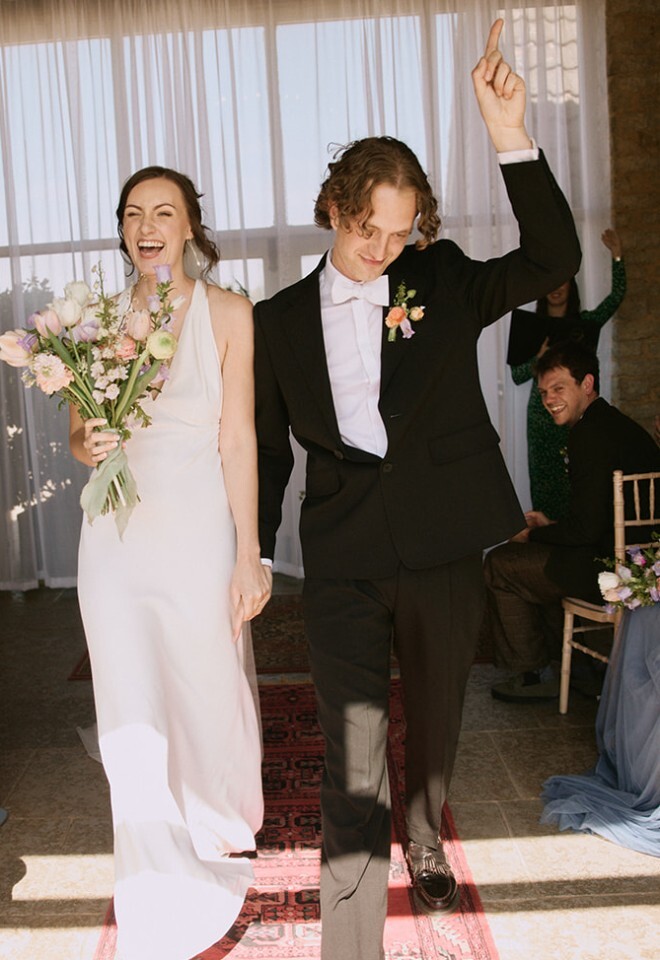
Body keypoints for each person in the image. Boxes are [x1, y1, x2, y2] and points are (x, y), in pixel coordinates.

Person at [254, 20, 581, 960]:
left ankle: (429, 833)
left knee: (434, 726)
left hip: (444, 545)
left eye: (399, 235)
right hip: (346, 557)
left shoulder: (437, 278)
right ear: (331, 209)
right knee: (352, 766)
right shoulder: (277, 322)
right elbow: (274, 452)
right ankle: (349, 944)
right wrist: (257, 551)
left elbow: (553, 258)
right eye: (367, 232)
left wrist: (510, 135)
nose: (382, 252)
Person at [69, 167, 271, 960]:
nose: (147, 225)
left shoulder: (229, 313)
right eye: (132, 214)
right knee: (129, 702)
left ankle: (219, 828)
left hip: (196, 533)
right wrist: (92, 442)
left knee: (202, 684)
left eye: (164, 212)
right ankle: (154, 875)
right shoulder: (94, 322)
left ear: (190, 226)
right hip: (113, 540)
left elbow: (238, 437)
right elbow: (83, 438)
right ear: (123, 229)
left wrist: (250, 553)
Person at [486, 339, 660, 703]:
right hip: (643, 564)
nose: (549, 399)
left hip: (611, 570)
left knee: (501, 563)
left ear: (587, 384)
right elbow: (596, 516)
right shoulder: (617, 425)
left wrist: (533, 534)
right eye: (545, 391)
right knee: (540, 563)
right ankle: (579, 665)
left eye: (559, 387)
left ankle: (534, 675)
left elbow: (583, 531)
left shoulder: (588, 435)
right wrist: (550, 527)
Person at [509, 228, 626, 521]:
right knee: (545, 476)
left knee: (578, 472)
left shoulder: (583, 323)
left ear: (571, 285)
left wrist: (617, 256)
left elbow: (616, 297)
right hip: (540, 416)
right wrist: (538, 357)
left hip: (578, 411)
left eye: (562, 280)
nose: (556, 287)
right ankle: (546, 536)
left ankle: (575, 530)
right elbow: (517, 376)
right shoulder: (530, 327)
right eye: (550, 281)